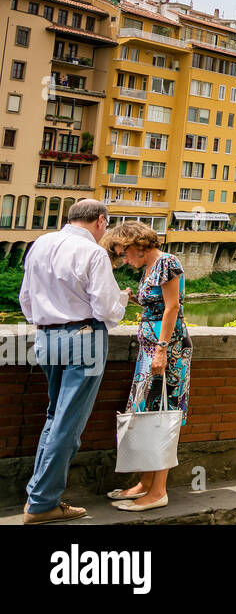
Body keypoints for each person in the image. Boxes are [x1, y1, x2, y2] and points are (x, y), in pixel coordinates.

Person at [18, 199, 126, 524]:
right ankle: (41, 504)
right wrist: (121, 305)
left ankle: (38, 496)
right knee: (69, 422)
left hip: (46, 335)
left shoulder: (40, 244)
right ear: (101, 221)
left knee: (55, 416)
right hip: (84, 338)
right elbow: (105, 308)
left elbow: (25, 297)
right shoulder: (93, 252)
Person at [101, 222, 192, 511]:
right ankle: (145, 483)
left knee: (161, 414)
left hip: (167, 350)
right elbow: (156, 304)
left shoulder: (167, 262)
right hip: (151, 350)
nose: (124, 258)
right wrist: (133, 298)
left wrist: (162, 350)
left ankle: (159, 491)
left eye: (123, 252)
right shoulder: (150, 269)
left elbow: (172, 307)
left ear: (137, 245)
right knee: (146, 411)